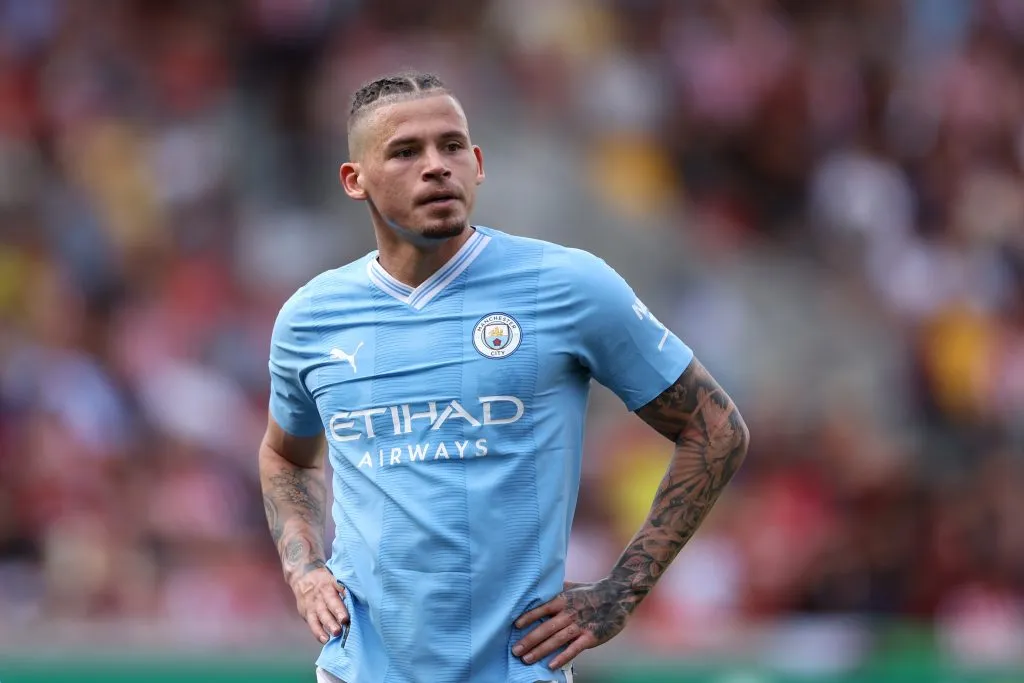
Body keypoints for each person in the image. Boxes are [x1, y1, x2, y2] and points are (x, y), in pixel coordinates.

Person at [260, 72, 750, 683]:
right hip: (359, 670)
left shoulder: (567, 286)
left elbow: (716, 427)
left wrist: (621, 592)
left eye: (452, 146)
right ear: (354, 180)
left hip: (517, 671)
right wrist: (305, 571)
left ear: (479, 162)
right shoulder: (312, 318)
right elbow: (286, 456)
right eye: (406, 151)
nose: (437, 166)